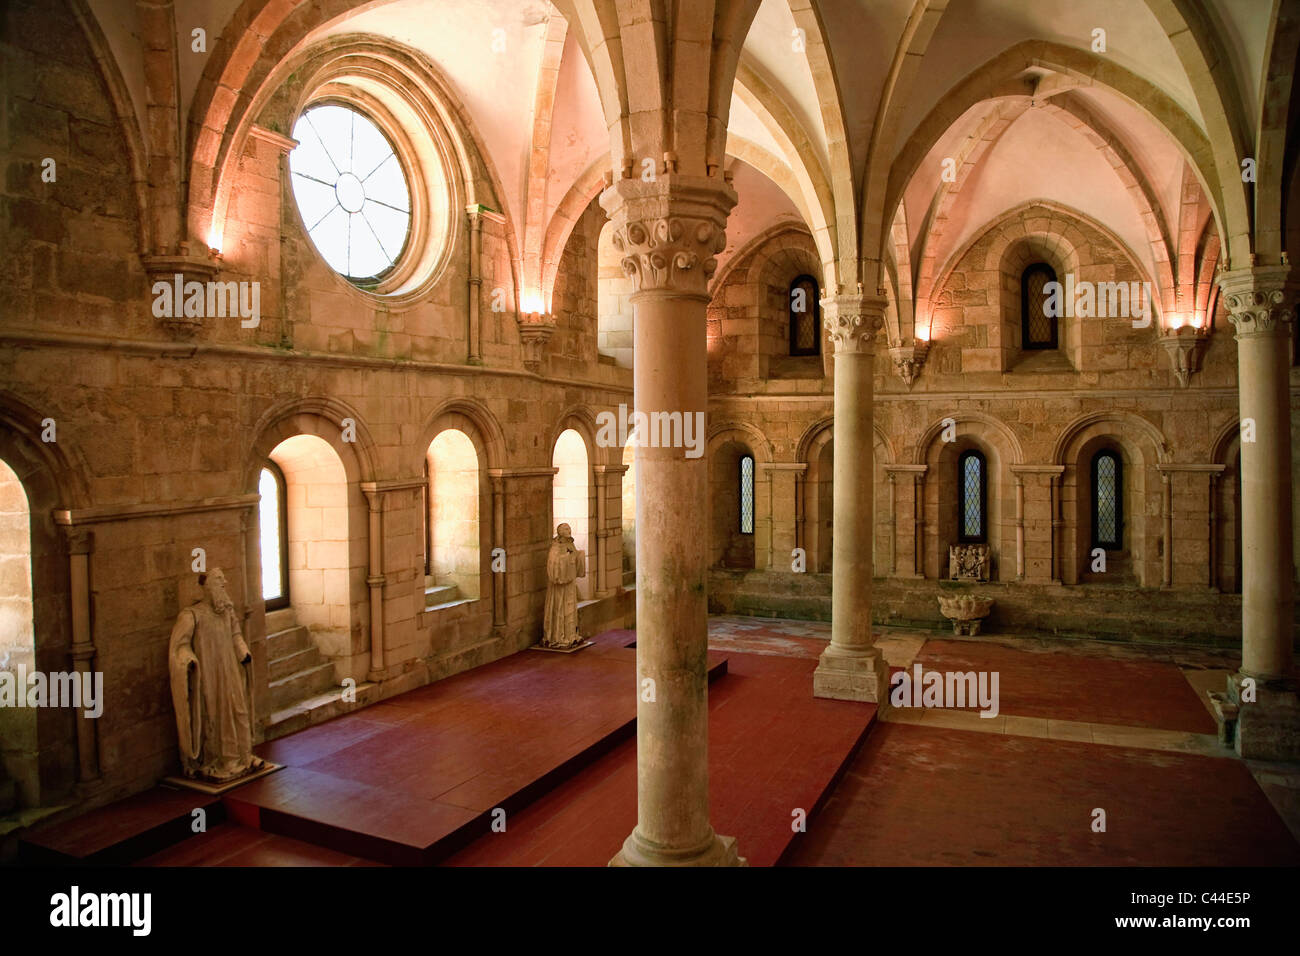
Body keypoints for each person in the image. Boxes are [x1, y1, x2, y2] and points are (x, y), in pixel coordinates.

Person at [168, 568, 265, 781]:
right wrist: (188, 660)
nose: (225, 583)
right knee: (218, 714)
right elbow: (179, 646)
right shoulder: (192, 616)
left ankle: (244, 754)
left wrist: (244, 653)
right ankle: (226, 760)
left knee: (238, 709)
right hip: (209, 672)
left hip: (229, 667)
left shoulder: (227, 612)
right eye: (220, 580)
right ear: (209, 586)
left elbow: (236, 635)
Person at [542, 523, 586, 648]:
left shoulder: (570, 544)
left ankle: (570, 635)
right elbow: (553, 564)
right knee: (559, 608)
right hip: (559, 587)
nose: (569, 530)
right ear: (560, 531)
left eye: (570, 528)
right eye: (566, 528)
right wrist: (565, 559)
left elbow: (574, 555)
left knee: (570, 609)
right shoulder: (555, 547)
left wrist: (579, 555)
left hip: (569, 584)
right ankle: (558, 636)